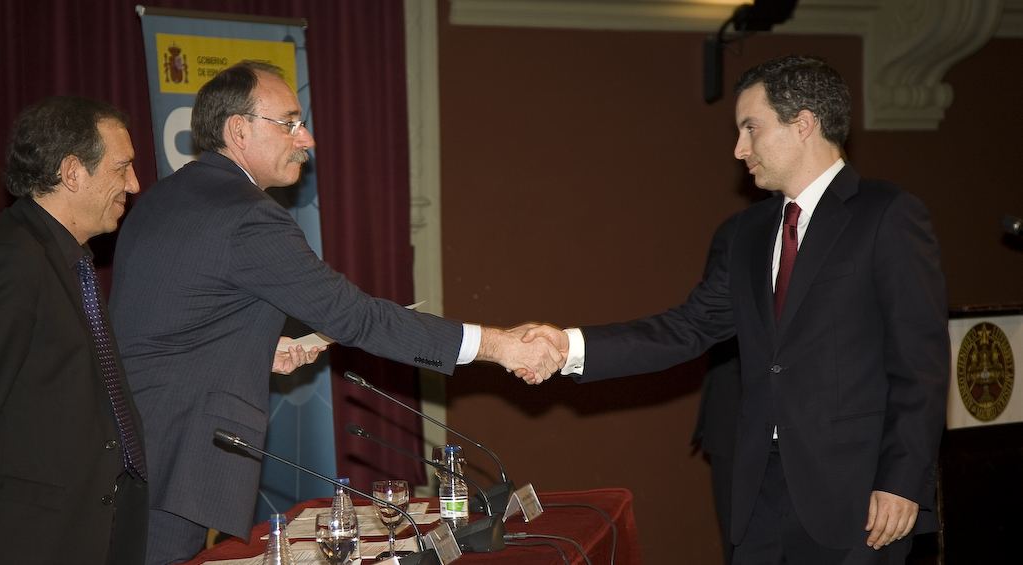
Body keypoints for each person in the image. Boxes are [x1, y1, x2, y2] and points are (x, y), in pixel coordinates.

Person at [108, 61, 562, 564]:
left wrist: (253, 349)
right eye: (290, 122)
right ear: (239, 130)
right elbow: (357, 318)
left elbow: (163, 327)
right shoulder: (247, 216)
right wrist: (498, 345)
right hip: (175, 462)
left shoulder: (161, 198)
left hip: (127, 448)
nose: (307, 139)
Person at [520, 55, 949, 564]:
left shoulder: (886, 214)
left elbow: (920, 365)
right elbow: (688, 326)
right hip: (756, 491)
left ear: (804, 124)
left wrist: (901, 481)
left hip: (856, 498)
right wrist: (568, 346)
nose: (738, 149)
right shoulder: (748, 232)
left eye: (751, 128)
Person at [0, 96, 148, 564]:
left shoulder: (67, 257)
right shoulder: (11, 261)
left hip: (87, 529)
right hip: (31, 540)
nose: (134, 183)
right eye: (121, 167)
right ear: (72, 173)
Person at [690, 214, 743, 565]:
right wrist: (577, 349)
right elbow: (702, 322)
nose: (741, 153)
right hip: (738, 421)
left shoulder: (877, 216)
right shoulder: (741, 230)